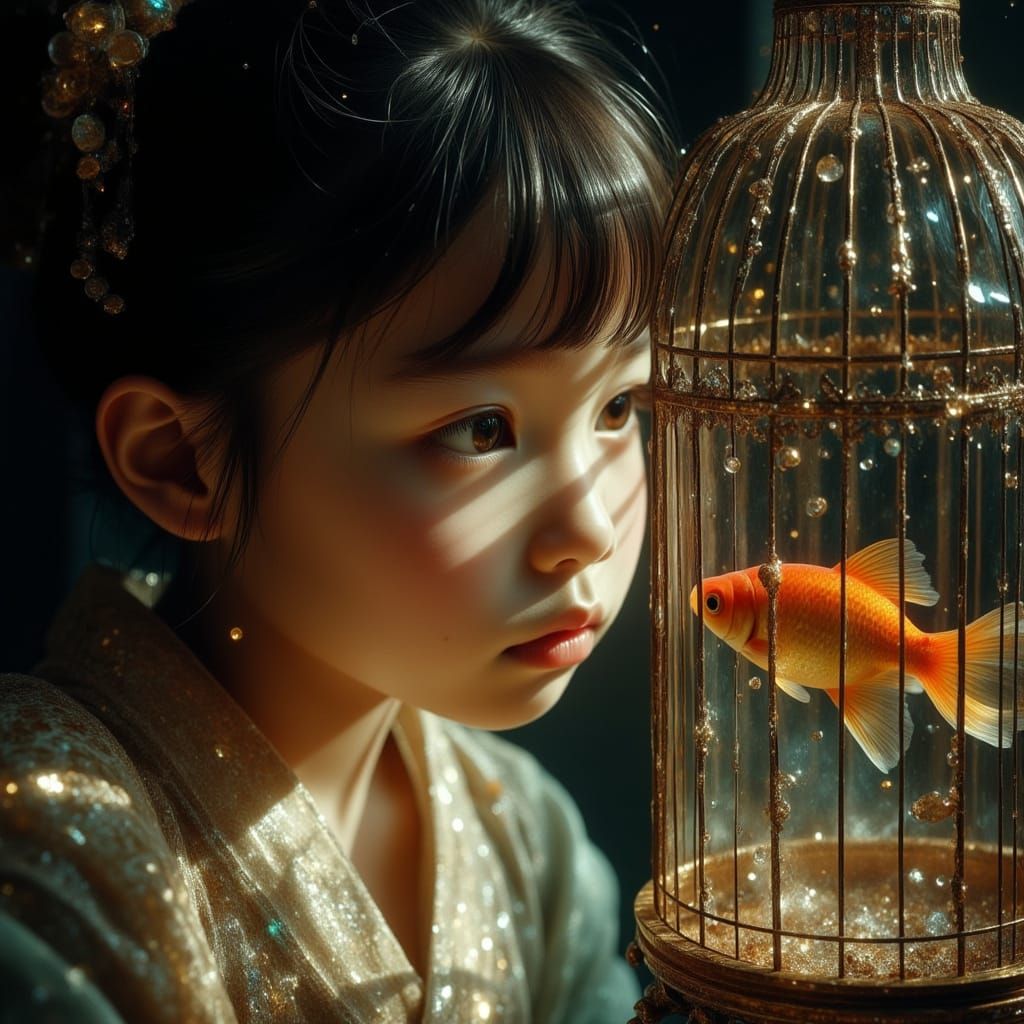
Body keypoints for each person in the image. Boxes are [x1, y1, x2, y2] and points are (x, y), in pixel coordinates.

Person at [1, 0, 675, 1020]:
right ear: (183, 459)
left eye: (622, 406)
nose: (589, 529)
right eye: (481, 428)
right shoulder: (43, 850)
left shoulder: (528, 844)